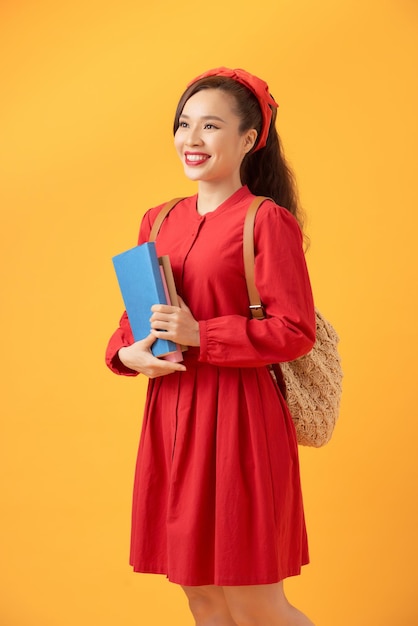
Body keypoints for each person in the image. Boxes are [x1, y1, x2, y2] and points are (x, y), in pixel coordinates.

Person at [106, 67, 317, 626]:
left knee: (253, 600)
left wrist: (203, 334)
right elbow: (136, 319)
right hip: (171, 419)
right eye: (183, 125)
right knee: (199, 594)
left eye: (210, 126)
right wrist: (126, 354)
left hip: (241, 421)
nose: (191, 140)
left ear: (249, 139)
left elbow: (296, 331)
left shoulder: (265, 222)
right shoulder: (158, 220)